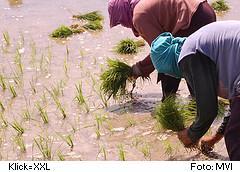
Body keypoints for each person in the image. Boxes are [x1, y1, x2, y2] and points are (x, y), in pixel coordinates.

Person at [150, 21, 240, 160]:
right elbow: (235, 105)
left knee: (235, 137)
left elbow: (208, 110)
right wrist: (214, 139)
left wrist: (191, 134)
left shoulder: (190, 54)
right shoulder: (200, 44)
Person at [108, 0, 216, 100]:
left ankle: (171, 101)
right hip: (205, 11)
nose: (123, 25)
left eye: (120, 21)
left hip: (194, 18)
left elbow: (160, 53)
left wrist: (138, 69)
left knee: (172, 61)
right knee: (192, 60)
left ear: (123, 13)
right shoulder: (144, 4)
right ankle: (199, 101)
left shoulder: (139, 16)